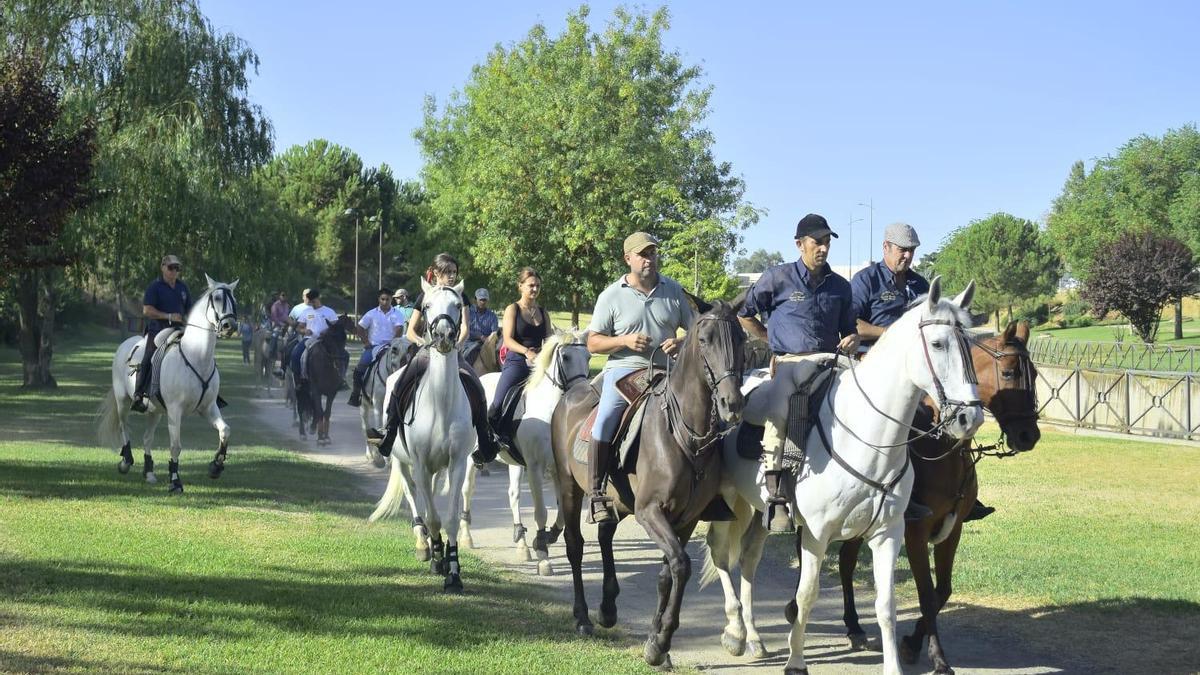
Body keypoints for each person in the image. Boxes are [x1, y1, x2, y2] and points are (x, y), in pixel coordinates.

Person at [850, 222, 994, 523]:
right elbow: (853, 325)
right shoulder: (866, 281)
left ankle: (961, 492)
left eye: (912, 251)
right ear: (886, 247)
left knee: (950, 414)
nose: (907, 256)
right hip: (870, 367)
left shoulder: (920, 285)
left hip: (916, 372)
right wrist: (895, 334)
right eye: (902, 249)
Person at [737, 214, 860, 532]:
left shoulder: (841, 287)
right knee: (778, 412)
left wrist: (853, 338)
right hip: (789, 362)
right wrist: (768, 339)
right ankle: (777, 497)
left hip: (832, 361)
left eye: (827, 242)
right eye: (817, 242)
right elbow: (745, 314)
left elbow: (850, 330)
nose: (823, 247)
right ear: (799, 244)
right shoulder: (776, 278)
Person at [585, 232, 694, 524]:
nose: (649, 259)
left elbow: (697, 332)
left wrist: (681, 343)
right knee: (607, 416)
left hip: (667, 371)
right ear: (628, 259)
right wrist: (625, 341)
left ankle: (708, 488)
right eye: (643, 254)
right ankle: (596, 492)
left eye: (653, 253)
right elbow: (593, 343)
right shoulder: (611, 295)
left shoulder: (673, 290)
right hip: (625, 369)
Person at [371, 253, 500, 465]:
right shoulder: (425, 297)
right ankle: (389, 431)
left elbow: (466, 327)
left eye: (454, 273)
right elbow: (411, 330)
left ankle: (485, 439)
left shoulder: (460, 295)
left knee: (476, 384)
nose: (451, 277)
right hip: (427, 351)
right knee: (399, 381)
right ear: (437, 273)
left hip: (453, 350)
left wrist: (458, 344)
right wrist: (424, 344)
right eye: (447, 272)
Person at [488, 268, 552, 445]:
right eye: (531, 285)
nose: (535, 289)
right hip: (517, 361)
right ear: (521, 286)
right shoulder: (513, 309)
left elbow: (549, 339)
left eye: (538, 286)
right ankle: (490, 438)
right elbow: (507, 340)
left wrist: (546, 352)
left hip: (540, 363)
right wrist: (526, 352)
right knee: (498, 401)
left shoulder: (543, 312)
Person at [131, 254, 192, 413]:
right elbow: (147, 310)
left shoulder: (183, 287)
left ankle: (205, 393)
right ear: (163, 267)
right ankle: (139, 394)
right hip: (158, 329)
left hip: (180, 330)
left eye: (177, 268)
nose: (174, 271)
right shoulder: (155, 287)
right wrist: (169, 316)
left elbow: (189, 310)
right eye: (171, 267)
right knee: (149, 357)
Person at [347, 288, 406, 407]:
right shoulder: (371, 313)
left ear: (391, 300)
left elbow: (399, 329)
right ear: (378, 299)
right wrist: (366, 342)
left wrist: (393, 342)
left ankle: (405, 395)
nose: (385, 302)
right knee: (360, 368)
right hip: (373, 346)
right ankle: (356, 394)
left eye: (387, 299)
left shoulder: (397, 314)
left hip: (391, 347)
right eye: (382, 299)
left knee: (404, 366)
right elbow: (360, 327)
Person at [290, 288, 338, 383]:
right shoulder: (306, 312)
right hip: (309, 339)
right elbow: (298, 328)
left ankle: (339, 379)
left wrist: (327, 331)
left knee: (341, 356)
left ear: (318, 299)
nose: (312, 304)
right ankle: (298, 379)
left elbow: (336, 327)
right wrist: (304, 331)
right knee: (295, 355)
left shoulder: (329, 312)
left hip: (325, 340)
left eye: (313, 301)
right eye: (310, 302)